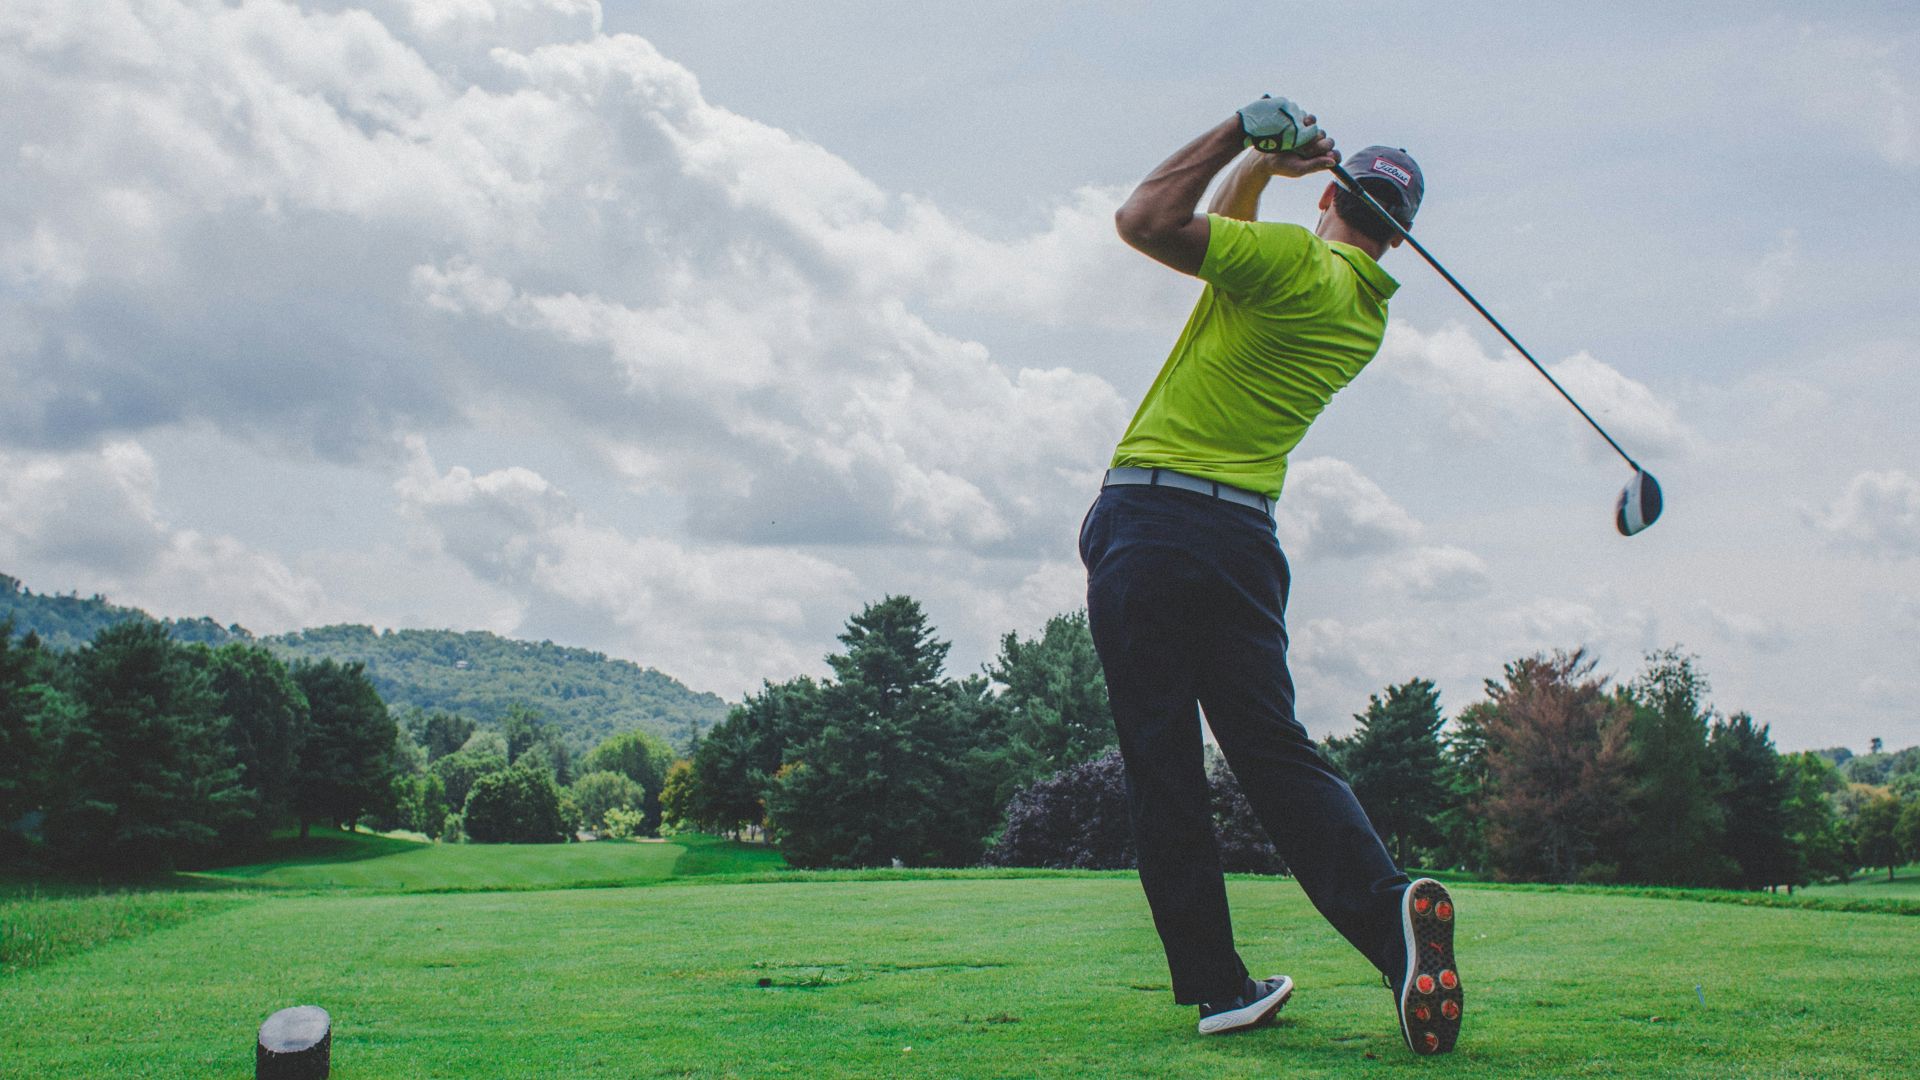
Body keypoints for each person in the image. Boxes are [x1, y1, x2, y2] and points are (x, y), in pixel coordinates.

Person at [1080, 95, 1463, 1054]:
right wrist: (1262, 170)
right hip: (1243, 542)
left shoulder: (1291, 262)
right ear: (1399, 239)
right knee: (1275, 753)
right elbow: (1230, 239)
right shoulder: (1360, 311)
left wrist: (1237, 133)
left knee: (1164, 764)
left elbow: (1146, 220)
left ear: (1329, 196)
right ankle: (1391, 926)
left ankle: (1219, 986)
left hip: (1152, 523)